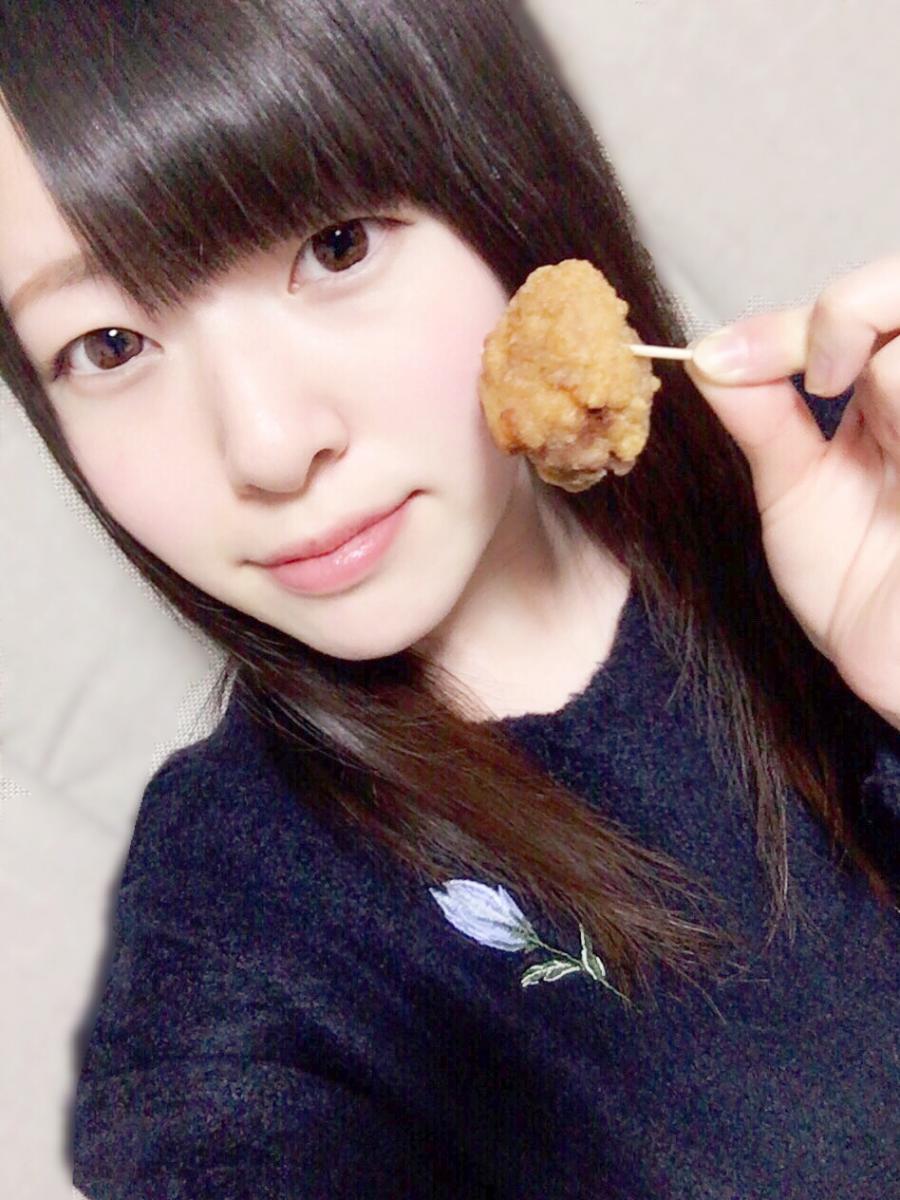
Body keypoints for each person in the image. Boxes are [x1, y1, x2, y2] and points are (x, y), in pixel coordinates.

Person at [0, 2, 897, 1196]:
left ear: (505, 186)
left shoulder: (863, 487)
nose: (268, 445)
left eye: (335, 248)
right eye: (109, 347)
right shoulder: (233, 923)